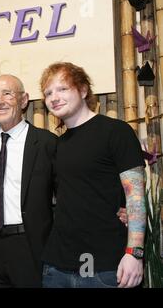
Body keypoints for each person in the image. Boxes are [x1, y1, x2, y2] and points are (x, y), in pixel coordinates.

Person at [40, 62, 146, 288]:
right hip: (57, 267)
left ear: (83, 90)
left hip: (106, 268)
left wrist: (134, 253)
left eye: (62, 89)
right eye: (48, 93)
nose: (54, 97)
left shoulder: (116, 131)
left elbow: (136, 198)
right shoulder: (57, 145)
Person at [0, 75, 58, 287]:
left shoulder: (45, 142)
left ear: (24, 100)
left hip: (29, 244)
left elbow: (63, 195)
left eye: (7, 93)